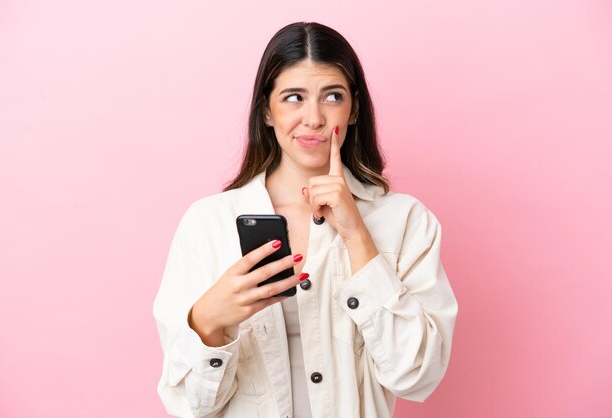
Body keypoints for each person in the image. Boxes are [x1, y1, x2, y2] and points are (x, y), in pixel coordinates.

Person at [153, 21, 458, 418]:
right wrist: (210, 320)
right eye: (293, 97)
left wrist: (356, 235)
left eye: (332, 96)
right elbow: (191, 406)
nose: (313, 118)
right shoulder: (207, 224)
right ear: (267, 110)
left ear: (354, 110)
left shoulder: (406, 221)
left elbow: (417, 374)